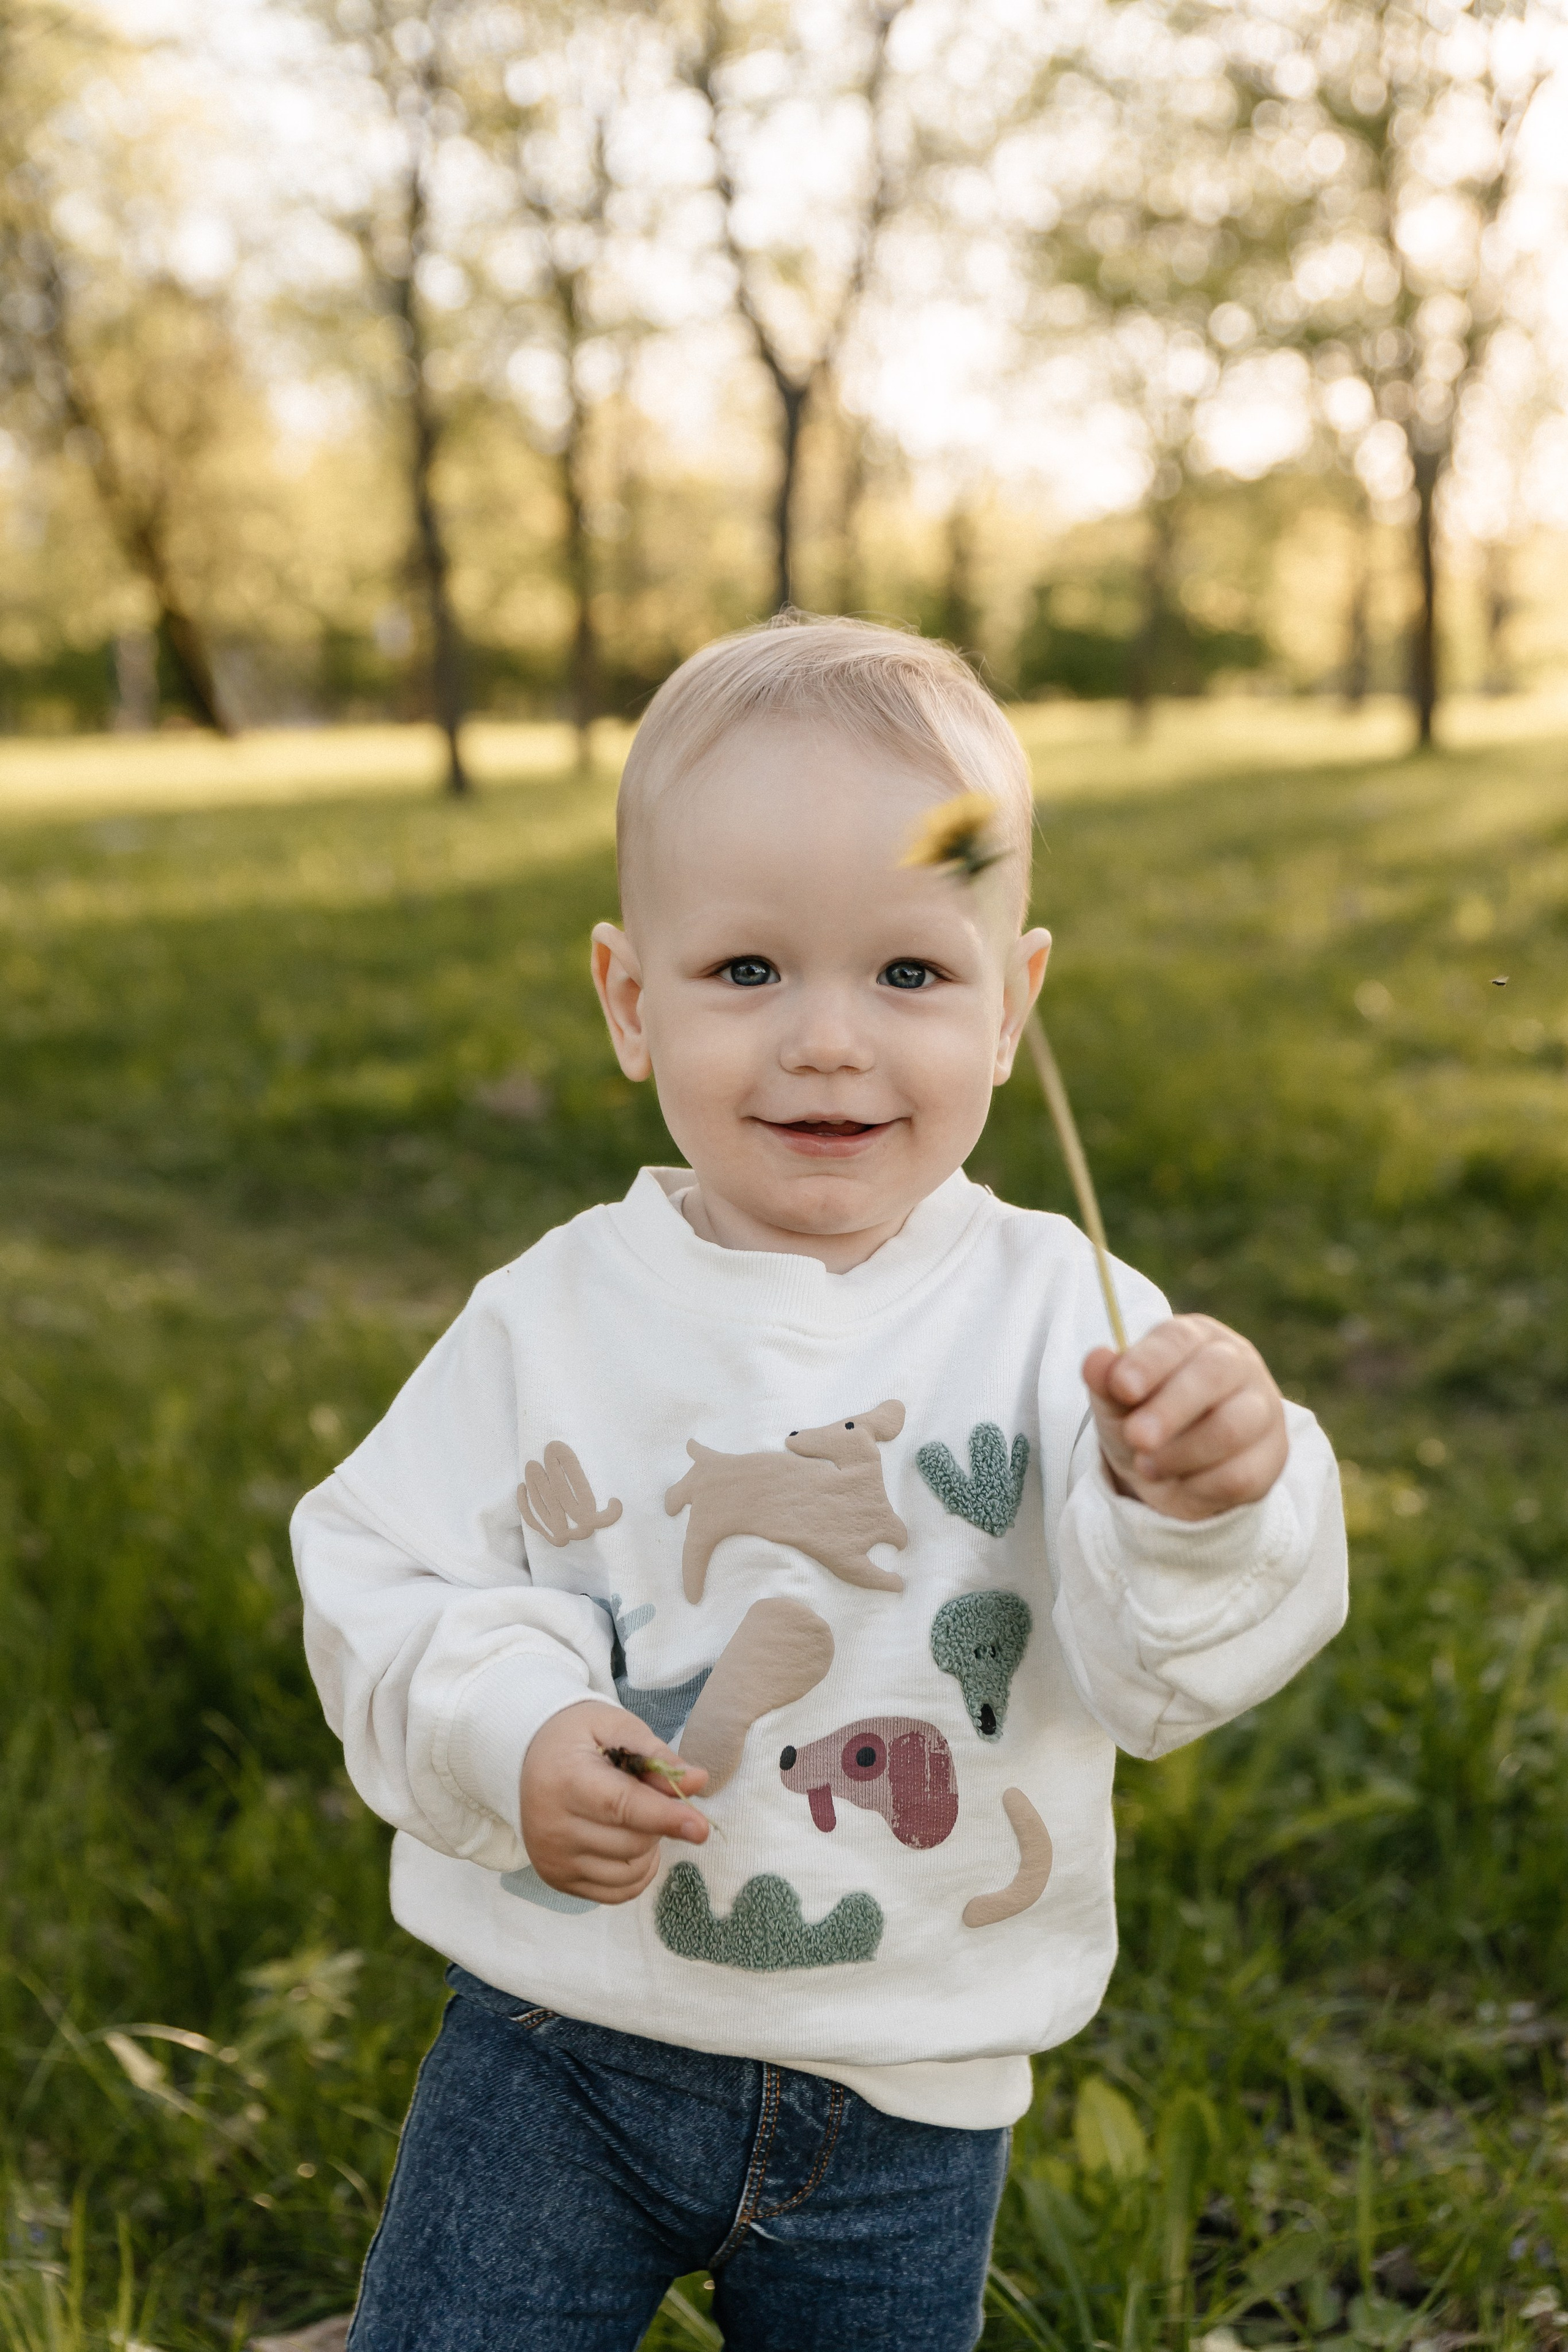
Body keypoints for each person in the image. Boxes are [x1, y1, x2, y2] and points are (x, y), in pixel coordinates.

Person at [292, 616, 1348, 2352]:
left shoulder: (1064, 1322)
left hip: (913, 2082)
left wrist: (1214, 1502)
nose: (831, 1044)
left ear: (1017, 1006)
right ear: (633, 1002)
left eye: (913, 977)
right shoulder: (551, 1316)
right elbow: (382, 1571)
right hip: (561, 2047)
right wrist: (519, 1729)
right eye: (750, 973)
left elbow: (1176, 1671)